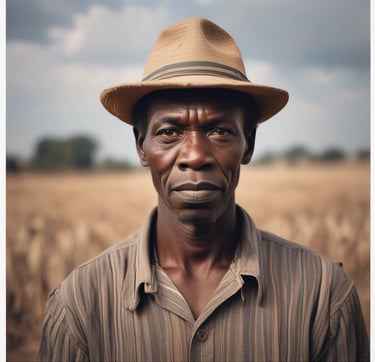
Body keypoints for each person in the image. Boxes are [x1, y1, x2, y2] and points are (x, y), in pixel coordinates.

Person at [39, 17, 369, 361]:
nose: (195, 156)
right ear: (141, 146)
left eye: (220, 131)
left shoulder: (324, 296)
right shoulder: (79, 303)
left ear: (249, 144)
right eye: (169, 132)